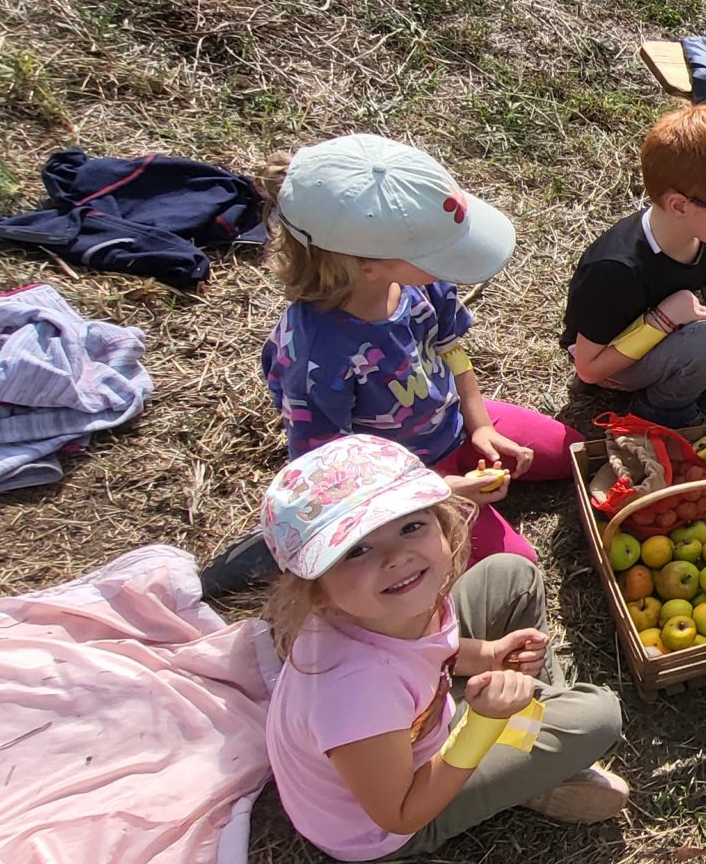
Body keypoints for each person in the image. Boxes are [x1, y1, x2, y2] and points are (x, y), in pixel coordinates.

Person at [208, 134, 579, 597]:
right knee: (514, 566)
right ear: (368, 266)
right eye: (436, 254)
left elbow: (450, 349)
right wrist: (438, 494)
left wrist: (480, 423)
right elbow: (333, 476)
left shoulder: (422, 286)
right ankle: (287, 550)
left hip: (456, 422)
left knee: (578, 454)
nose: (448, 267)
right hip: (394, 482)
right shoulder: (315, 358)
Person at [260, 434, 626, 862]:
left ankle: (528, 740)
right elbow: (399, 813)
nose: (397, 556)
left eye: (410, 526)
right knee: (597, 718)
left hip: (420, 723)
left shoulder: (385, 605)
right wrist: (483, 725)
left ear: (443, 524)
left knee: (510, 574)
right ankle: (533, 760)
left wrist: (488, 655)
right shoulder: (355, 694)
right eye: (356, 550)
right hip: (399, 818)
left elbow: (428, 651)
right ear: (316, 590)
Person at [562, 104, 706, 428]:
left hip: (674, 333)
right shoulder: (615, 269)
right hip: (609, 363)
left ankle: (686, 369)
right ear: (680, 206)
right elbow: (587, 367)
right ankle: (658, 411)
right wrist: (661, 321)